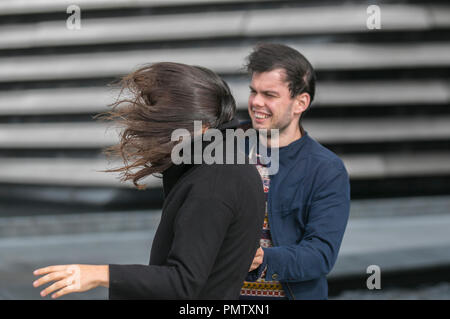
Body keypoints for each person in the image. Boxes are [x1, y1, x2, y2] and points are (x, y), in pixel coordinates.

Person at [32, 62, 266, 299]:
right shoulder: (230, 165)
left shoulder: (213, 183)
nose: (158, 133)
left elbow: (182, 283)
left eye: (165, 124)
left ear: (202, 126)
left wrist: (99, 274)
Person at [239, 43, 351, 300]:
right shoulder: (225, 150)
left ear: (300, 102)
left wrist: (262, 259)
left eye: (269, 94)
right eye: (253, 91)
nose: (256, 102)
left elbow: (321, 255)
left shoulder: (326, 169)